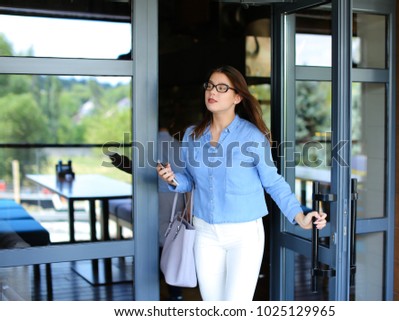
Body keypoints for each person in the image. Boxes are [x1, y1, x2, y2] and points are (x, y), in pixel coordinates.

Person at [157, 65, 327, 301]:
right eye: (209, 85)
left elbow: (273, 182)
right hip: (205, 233)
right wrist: (173, 179)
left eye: (221, 87)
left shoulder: (252, 137)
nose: (212, 92)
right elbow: (189, 181)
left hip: (244, 236)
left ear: (237, 97)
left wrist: (300, 216)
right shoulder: (192, 135)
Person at [109, 123, 186, 301]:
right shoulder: (180, 146)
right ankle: (175, 293)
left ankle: (154, 289)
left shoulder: (148, 145)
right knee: (171, 242)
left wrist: (122, 163)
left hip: (154, 197)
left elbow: (140, 171)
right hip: (177, 198)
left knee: (155, 244)